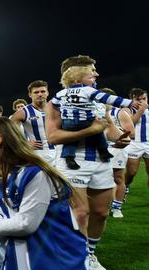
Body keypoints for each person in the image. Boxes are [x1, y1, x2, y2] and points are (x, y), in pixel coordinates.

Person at [0, 117, 88, 270]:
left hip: (57, 257)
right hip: (19, 256)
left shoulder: (34, 174)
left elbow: (26, 224)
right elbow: (7, 218)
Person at [45, 55, 131, 270]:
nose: (96, 74)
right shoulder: (55, 103)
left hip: (101, 161)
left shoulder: (99, 99)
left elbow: (108, 127)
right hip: (72, 161)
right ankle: (79, 257)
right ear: (75, 74)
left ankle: (90, 254)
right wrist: (90, 130)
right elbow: (53, 137)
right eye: (92, 70)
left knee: (101, 213)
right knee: (80, 213)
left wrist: (119, 137)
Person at [51, 65, 137, 170]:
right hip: (86, 119)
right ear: (78, 81)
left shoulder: (61, 93)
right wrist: (129, 103)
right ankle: (104, 151)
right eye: (90, 77)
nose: (93, 79)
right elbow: (107, 98)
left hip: (69, 121)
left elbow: (54, 104)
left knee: (70, 141)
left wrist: (64, 109)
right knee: (98, 131)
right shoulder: (87, 90)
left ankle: (69, 158)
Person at [98, 88, 135, 218]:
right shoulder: (93, 112)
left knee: (118, 178)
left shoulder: (120, 113)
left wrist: (116, 135)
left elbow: (132, 133)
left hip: (116, 149)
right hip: (97, 148)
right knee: (100, 178)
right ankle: (103, 206)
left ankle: (117, 208)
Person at [9, 80, 56, 163]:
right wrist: (24, 144)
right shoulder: (22, 113)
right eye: (36, 92)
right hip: (38, 155)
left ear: (47, 93)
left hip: (58, 154)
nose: (40, 94)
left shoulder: (56, 108)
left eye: (43, 91)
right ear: (30, 94)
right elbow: (8, 132)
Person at [124, 88, 149, 202]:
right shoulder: (128, 110)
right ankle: (125, 187)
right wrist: (141, 110)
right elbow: (130, 123)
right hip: (134, 144)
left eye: (144, 99)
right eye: (138, 99)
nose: (142, 102)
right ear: (132, 99)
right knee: (131, 172)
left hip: (148, 143)